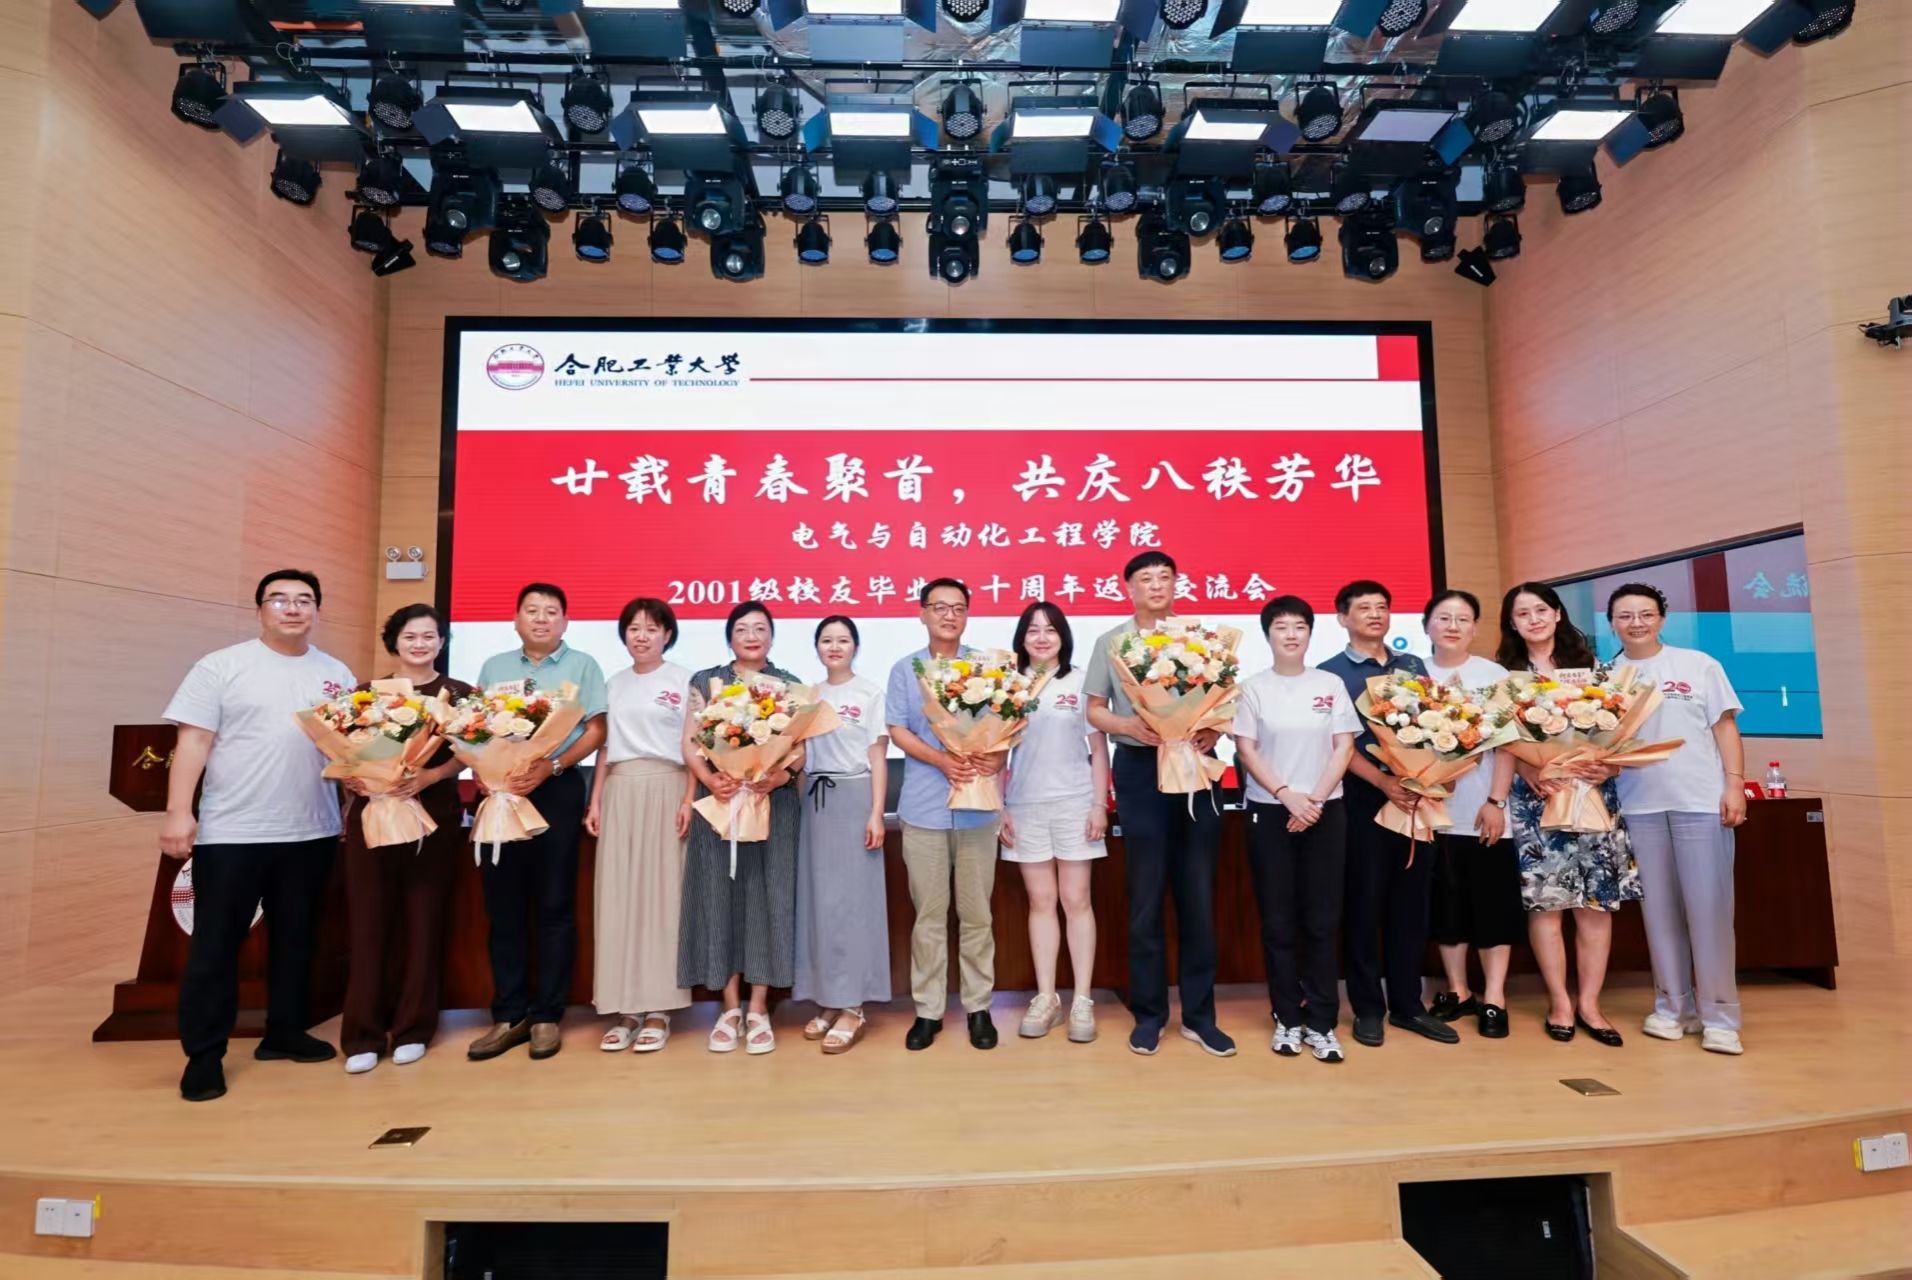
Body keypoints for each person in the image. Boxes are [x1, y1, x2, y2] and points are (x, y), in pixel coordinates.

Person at [160, 570, 357, 1103]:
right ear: (260, 609)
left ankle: (285, 1031)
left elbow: (348, 746)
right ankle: (204, 1056)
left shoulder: (335, 673)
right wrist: (179, 812)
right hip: (233, 831)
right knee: (216, 945)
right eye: (280, 599)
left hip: (312, 830)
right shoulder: (222, 666)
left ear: (317, 611)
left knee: (298, 940)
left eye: (304, 600)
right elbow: (193, 741)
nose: (293, 608)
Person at [1085, 551, 1235, 1058]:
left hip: (1195, 765)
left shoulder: (1201, 640)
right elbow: (1095, 710)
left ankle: (1200, 1017)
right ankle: (1149, 1015)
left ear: (1176, 584)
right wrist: (1127, 724)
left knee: (1198, 894)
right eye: (1145, 578)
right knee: (1145, 896)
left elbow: (1226, 702)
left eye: (1164, 577)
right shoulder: (1112, 642)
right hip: (1139, 768)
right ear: (1128, 588)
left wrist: (1214, 730)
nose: (1155, 585)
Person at [467, 583, 608, 1063]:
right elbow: (476, 730)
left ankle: (547, 1014)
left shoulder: (583, 665)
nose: (541, 618)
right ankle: (509, 1015)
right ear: (516, 619)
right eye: (532, 610)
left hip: (557, 789)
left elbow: (596, 729)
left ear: (565, 622)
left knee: (554, 904)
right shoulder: (494, 667)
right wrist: (484, 773)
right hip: (502, 792)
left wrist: (554, 765)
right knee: (503, 905)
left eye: (551, 612)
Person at [1497, 582, 1641, 1046]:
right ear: (1512, 623)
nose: (1534, 619)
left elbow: (1621, 733)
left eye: (1541, 609)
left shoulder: (1596, 670)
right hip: (1538, 798)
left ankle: (1591, 1005)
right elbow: (1500, 742)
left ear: (1557, 614)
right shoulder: (1504, 678)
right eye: (1523, 613)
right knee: (1548, 905)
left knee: (1595, 906)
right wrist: (1530, 769)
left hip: (1594, 794)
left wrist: (1608, 764)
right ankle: (1559, 1001)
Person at [1607, 583, 1748, 1055]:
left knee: (1710, 911)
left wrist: (1733, 785)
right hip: (1638, 806)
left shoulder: (1698, 665)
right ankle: (1672, 1008)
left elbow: (1725, 726)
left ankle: (1721, 1017)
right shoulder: (1606, 677)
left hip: (1700, 802)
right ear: (1612, 624)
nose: (1636, 623)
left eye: (1646, 614)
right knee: (1659, 913)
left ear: (1662, 619)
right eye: (1625, 616)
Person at [1318, 580, 1455, 1048]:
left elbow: (1437, 725)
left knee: (1411, 905)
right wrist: (1383, 783)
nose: (1375, 614)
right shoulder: (1330, 674)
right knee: (1363, 905)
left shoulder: (1413, 665)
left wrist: (1432, 776)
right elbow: (1337, 744)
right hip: (1362, 799)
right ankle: (1368, 1008)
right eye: (1364, 608)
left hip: (1416, 800)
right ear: (1343, 618)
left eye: (1382, 607)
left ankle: (1409, 1006)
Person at [339, 604, 472, 1075]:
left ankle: (414, 1029)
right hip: (374, 818)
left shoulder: (459, 694)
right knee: (368, 925)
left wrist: (430, 775)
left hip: (433, 818)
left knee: (424, 922)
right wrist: (353, 776)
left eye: (429, 636)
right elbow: (345, 751)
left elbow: (469, 753)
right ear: (394, 642)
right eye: (410, 636)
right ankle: (363, 1034)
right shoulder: (365, 695)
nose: (420, 644)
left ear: (442, 642)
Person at [1232, 596, 1359, 1065]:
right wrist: (1287, 795)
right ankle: (1286, 1017)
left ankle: (1322, 1022)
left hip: (1326, 812)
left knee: (1322, 922)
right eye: (1281, 627)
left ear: (1310, 632)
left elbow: (1344, 747)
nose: (1291, 634)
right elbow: (1246, 749)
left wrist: (1315, 800)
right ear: (1268, 635)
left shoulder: (1330, 684)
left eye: (1299, 626)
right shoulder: (1252, 688)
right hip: (1271, 813)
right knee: (1279, 922)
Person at [679, 602, 805, 1056]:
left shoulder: (789, 684)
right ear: (729, 637)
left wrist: (778, 775)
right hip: (720, 802)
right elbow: (690, 742)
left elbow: (800, 751)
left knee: (768, 899)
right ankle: (729, 1007)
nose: (752, 636)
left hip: (773, 804)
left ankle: (759, 1007)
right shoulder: (705, 682)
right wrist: (712, 778)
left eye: (760, 629)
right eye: (743, 629)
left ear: (771, 636)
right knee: (720, 898)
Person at [886, 578, 1004, 1052]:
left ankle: (979, 1008)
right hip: (923, 808)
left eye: (958, 608)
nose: (949, 615)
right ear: (922, 613)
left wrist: (997, 757)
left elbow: (1008, 726)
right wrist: (940, 759)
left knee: (977, 915)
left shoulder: (987, 668)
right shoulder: (905, 669)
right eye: (940, 607)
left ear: (968, 615)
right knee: (929, 917)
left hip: (977, 811)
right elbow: (897, 729)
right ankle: (928, 1011)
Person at [585, 597, 695, 1055]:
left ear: (667, 634)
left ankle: (658, 1009)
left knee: (663, 898)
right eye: (634, 628)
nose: (642, 636)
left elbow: (694, 746)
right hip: (620, 792)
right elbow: (605, 750)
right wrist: (595, 800)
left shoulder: (685, 680)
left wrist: (689, 798)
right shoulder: (613, 684)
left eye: (652, 628)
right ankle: (625, 1008)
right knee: (619, 897)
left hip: (668, 787)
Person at [1000, 601, 1108, 1045]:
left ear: (1063, 636)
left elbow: (1098, 750)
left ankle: (1082, 999)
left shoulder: (1081, 682)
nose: (1041, 637)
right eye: (1033, 630)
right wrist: (999, 806)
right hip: (1024, 806)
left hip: (1075, 803)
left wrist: (1099, 804)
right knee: (1040, 901)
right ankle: (1047, 998)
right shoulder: (1007, 685)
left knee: (1076, 899)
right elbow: (995, 752)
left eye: (1050, 629)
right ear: (1021, 638)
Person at [1419, 591, 1519, 1040]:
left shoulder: (1493, 675)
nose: (1453, 626)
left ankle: (1494, 996)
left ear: (1475, 628)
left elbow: (1508, 746)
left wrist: (1496, 802)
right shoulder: (1413, 675)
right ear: (1427, 626)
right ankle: (1458, 990)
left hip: (1484, 811)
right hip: (1434, 811)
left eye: (1462, 619)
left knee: (1491, 907)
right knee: (1447, 907)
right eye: (1443, 618)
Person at [793, 615, 892, 1055]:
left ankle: (854, 1005)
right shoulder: (808, 696)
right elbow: (799, 757)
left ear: (855, 647)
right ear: (817, 647)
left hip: (854, 798)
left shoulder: (869, 693)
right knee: (820, 904)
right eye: (826, 640)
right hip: (815, 802)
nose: (834, 647)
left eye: (843, 640)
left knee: (853, 905)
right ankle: (830, 999)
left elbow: (878, 757)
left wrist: (876, 813)